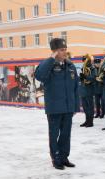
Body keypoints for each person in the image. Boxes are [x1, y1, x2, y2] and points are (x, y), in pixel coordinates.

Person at [34, 38, 79, 170]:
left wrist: (75, 106)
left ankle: (64, 157)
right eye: (61, 50)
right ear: (54, 52)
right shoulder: (48, 66)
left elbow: (76, 87)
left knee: (66, 134)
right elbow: (39, 76)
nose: (65, 52)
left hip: (68, 108)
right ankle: (56, 158)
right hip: (54, 108)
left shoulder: (70, 66)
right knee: (54, 135)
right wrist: (51, 59)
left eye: (65, 49)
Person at [79, 55, 96, 127]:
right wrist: (81, 78)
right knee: (85, 107)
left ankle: (90, 121)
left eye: (85, 61)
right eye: (83, 61)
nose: (84, 63)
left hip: (89, 90)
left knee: (90, 107)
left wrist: (86, 77)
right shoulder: (83, 68)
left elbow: (93, 78)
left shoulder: (92, 68)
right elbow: (82, 80)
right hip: (83, 90)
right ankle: (87, 120)